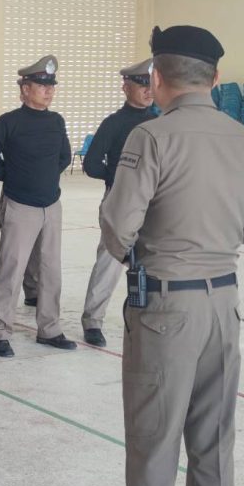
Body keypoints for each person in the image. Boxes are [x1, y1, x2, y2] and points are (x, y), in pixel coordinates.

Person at [101, 26, 244, 486]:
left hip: (165, 309)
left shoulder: (151, 137)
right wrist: (212, 239)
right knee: (214, 444)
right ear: (216, 78)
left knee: (154, 447)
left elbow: (118, 229)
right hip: (224, 305)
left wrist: (164, 246)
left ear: (157, 77)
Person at [0, 55, 76, 356]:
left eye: (51, 86)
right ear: (25, 89)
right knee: (11, 270)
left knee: (50, 271)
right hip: (20, 206)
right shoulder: (9, 122)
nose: (49, 91)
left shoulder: (56, 121)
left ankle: (50, 329)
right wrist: (15, 178)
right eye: (42, 85)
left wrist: (45, 180)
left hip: (51, 206)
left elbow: (64, 157)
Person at [78, 58, 156, 347]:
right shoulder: (114, 123)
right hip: (121, 200)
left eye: (150, 84)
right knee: (110, 260)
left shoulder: (160, 123)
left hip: (154, 201)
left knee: (156, 261)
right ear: (126, 87)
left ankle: (151, 320)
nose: (147, 90)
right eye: (141, 84)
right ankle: (93, 321)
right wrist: (119, 179)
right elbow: (91, 164)